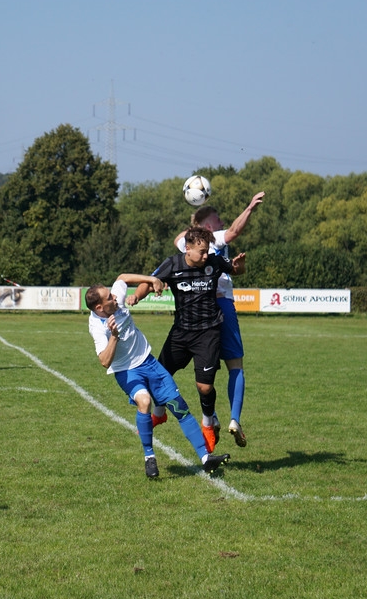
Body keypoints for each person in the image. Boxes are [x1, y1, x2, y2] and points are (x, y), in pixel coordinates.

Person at [86, 275, 230, 477]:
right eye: (109, 297)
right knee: (144, 401)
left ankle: (206, 459)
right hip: (126, 371)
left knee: (179, 407)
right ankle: (149, 458)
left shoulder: (116, 300)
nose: (114, 297)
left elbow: (122, 278)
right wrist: (115, 337)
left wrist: (152, 280)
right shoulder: (97, 327)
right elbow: (104, 361)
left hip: (149, 362)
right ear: (100, 308)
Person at [136, 226, 246, 454]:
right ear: (187, 248)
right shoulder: (173, 264)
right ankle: (159, 414)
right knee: (158, 376)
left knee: (204, 387)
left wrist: (239, 266)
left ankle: (208, 424)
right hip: (181, 332)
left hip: (208, 333)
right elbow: (150, 280)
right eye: (201, 251)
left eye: (207, 251)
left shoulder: (214, 261)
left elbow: (235, 270)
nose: (206, 256)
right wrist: (136, 296)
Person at [173, 192, 265, 448]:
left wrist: (196, 223)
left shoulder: (188, 246)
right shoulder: (214, 240)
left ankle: (211, 417)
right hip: (221, 304)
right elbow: (234, 231)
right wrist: (249, 208)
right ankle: (234, 419)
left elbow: (178, 238)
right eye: (217, 219)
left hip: (197, 309)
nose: (222, 222)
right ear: (207, 225)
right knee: (235, 365)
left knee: (205, 372)